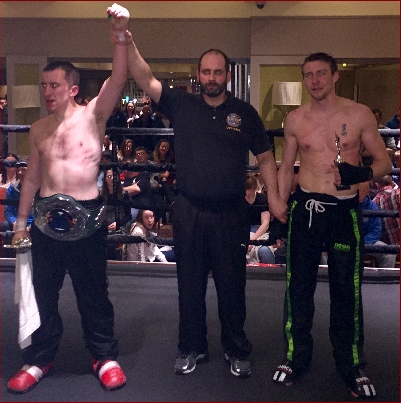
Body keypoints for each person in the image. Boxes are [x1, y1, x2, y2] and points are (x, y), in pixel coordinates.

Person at [120, 17, 287, 378]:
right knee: (189, 286)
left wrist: (274, 199)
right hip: (190, 210)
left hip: (230, 213)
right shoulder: (181, 104)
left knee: (233, 286)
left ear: (228, 75)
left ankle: (236, 348)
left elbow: (266, 157)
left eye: (218, 72)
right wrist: (126, 39)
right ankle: (191, 347)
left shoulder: (244, 113)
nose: (212, 78)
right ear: (199, 74)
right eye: (207, 72)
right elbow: (145, 78)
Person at [7, 3, 130, 394]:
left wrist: (120, 36)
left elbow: (119, 77)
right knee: (43, 293)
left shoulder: (93, 116)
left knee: (93, 293)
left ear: (72, 88)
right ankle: (39, 359)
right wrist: (21, 223)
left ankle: (104, 356)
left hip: (88, 218)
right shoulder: (39, 128)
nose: (47, 92)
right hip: (45, 221)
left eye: (54, 86)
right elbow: (31, 177)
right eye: (44, 86)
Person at [273, 52, 392, 398]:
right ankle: (295, 357)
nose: (315, 81)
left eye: (321, 73)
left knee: (346, 290)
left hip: (343, 212)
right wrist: (278, 201)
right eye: (308, 75)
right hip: (306, 210)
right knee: (298, 288)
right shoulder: (295, 119)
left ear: (335, 76)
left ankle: (351, 364)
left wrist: (362, 174)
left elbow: (384, 162)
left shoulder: (359, 114)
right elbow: (287, 165)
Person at [358, 181, 396, 268]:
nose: (359, 192)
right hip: (347, 241)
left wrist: (362, 242)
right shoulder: (344, 205)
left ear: (368, 191)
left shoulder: (373, 206)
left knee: (390, 254)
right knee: (329, 249)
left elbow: (375, 232)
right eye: (357, 189)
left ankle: (385, 277)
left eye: (362, 190)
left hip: (367, 242)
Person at [245, 172, 275, 264]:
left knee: (265, 252)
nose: (247, 196)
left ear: (254, 188)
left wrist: (252, 240)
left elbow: (265, 224)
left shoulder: (262, 199)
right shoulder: (238, 201)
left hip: (260, 233)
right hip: (243, 231)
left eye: (249, 193)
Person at [1, 159, 34, 232]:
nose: (20, 173)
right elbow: (8, 210)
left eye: (24, 170)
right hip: (17, 222)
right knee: (3, 226)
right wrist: (14, 222)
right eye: (18, 170)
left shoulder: (40, 188)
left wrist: (30, 226)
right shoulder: (12, 188)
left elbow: (43, 213)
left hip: (34, 224)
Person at [373, 174, 400, 246]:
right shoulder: (397, 193)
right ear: (392, 183)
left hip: (390, 249)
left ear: (377, 185)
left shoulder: (373, 203)